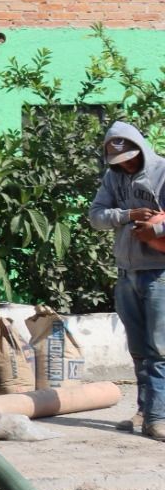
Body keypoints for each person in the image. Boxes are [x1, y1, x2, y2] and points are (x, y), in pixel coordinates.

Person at [88, 122, 165, 439]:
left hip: (159, 273)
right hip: (126, 272)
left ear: (140, 148)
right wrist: (128, 215)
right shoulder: (112, 177)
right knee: (137, 349)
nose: (126, 165)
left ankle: (158, 416)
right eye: (119, 161)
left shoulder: (163, 171)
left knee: (159, 349)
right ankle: (145, 410)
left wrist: (156, 231)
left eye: (130, 158)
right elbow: (96, 217)